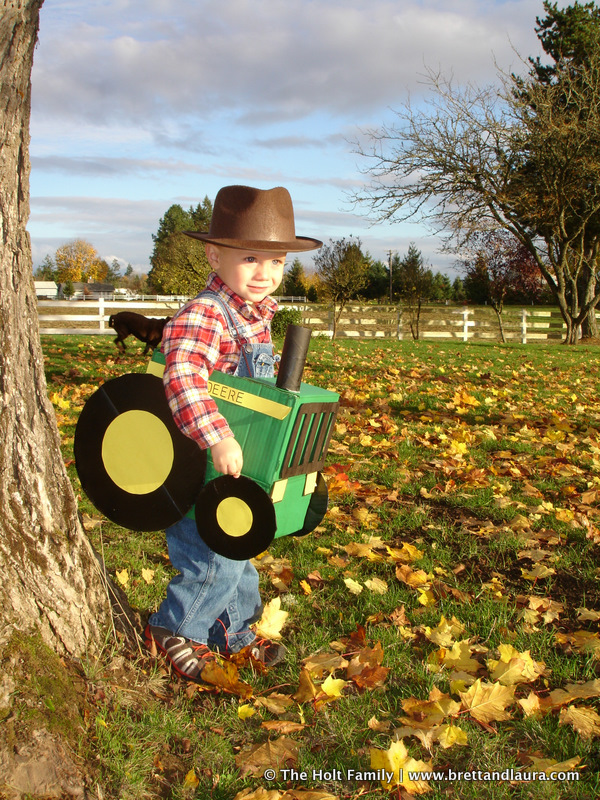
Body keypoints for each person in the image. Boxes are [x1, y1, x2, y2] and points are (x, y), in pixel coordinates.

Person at [144, 185, 322, 682]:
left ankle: (234, 632)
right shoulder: (205, 314)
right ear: (214, 254)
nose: (265, 274)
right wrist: (218, 436)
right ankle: (176, 628)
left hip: (238, 462)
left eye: (277, 261)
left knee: (239, 553)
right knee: (211, 558)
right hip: (200, 462)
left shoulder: (256, 318)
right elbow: (182, 377)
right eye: (250, 258)